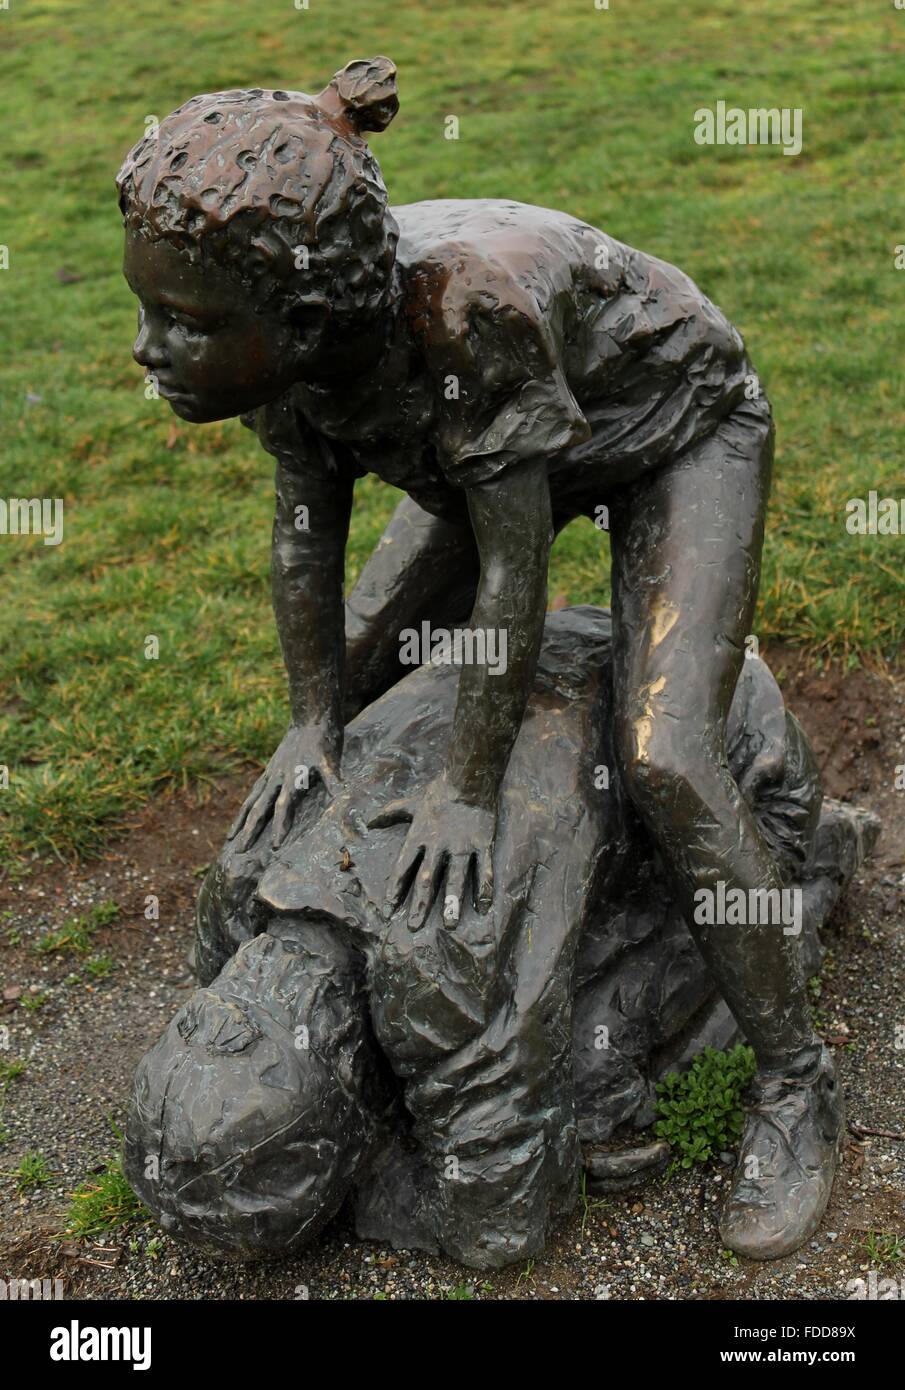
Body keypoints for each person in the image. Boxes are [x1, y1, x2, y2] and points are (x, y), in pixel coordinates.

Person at [117, 56, 843, 1259]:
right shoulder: (286, 350)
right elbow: (306, 543)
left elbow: (514, 577)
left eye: (180, 324)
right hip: (479, 455)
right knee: (351, 674)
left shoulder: (463, 318)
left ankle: (792, 1076)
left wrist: (467, 788)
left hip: (671, 437)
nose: (149, 351)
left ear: (294, 320)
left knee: (664, 755)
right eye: (151, 310)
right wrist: (311, 719)